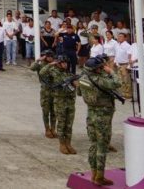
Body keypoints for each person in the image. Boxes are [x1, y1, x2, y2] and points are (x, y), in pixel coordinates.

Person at [77, 56, 121, 186]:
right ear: (96, 69)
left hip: (91, 113)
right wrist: (111, 71)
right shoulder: (101, 80)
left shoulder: (83, 78)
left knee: (93, 144)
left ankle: (94, 173)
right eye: (100, 67)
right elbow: (117, 83)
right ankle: (99, 177)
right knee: (102, 146)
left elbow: (79, 93)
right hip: (103, 115)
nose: (102, 68)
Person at [44, 55, 78, 155]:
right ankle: (62, 144)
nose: (65, 64)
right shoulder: (53, 72)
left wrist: (75, 83)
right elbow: (42, 73)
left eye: (66, 63)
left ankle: (68, 143)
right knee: (62, 123)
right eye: (63, 63)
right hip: (60, 102)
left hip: (70, 102)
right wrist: (51, 64)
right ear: (58, 63)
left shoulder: (69, 73)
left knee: (69, 124)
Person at [32, 50, 58, 138]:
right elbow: (32, 68)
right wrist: (38, 60)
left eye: (51, 56)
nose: (50, 58)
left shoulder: (56, 64)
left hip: (54, 90)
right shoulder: (41, 64)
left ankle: (53, 128)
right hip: (45, 91)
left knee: (54, 111)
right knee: (46, 111)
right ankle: (47, 129)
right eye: (48, 56)